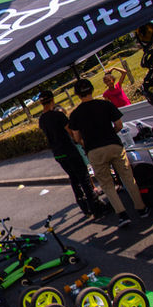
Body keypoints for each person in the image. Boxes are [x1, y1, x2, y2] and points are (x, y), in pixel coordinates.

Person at [67, 78, 149, 227]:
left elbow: (77, 138)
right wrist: (111, 133)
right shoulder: (105, 104)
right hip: (113, 144)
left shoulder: (75, 114)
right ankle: (141, 208)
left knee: (107, 184)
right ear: (92, 89)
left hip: (94, 151)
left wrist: (86, 143)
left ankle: (122, 215)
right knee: (128, 178)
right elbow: (119, 125)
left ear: (77, 95)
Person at [37, 89, 102, 217]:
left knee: (73, 178)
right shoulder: (58, 115)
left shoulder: (42, 120)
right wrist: (81, 142)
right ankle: (96, 207)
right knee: (83, 177)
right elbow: (71, 132)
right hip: (69, 150)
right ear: (52, 100)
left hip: (58, 153)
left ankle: (84, 206)